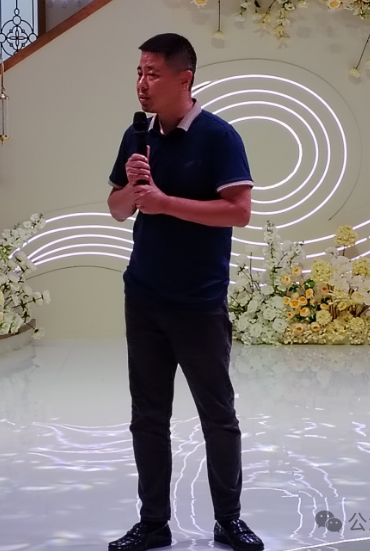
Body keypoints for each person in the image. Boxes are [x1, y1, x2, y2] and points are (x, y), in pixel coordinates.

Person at [106, 33, 264, 551]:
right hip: (144, 298)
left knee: (218, 416)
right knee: (148, 418)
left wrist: (165, 201)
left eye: (153, 73)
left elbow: (239, 211)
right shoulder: (137, 136)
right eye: (139, 72)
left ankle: (229, 521)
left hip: (198, 302)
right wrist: (134, 190)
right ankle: (153, 524)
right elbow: (117, 208)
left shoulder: (219, 136)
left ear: (184, 78)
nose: (142, 83)